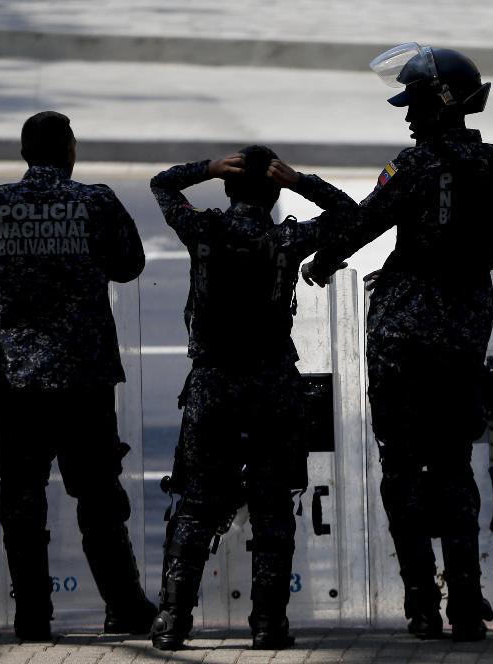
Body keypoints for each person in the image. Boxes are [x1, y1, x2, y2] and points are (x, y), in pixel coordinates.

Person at [302, 43, 493, 641]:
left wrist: (324, 259)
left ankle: (422, 606)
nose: (406, 115)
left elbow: (365, 219)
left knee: (401, 468)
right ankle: (468, 605)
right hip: (462, 337)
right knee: (454, 466)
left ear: (443, 103)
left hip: (401, 339)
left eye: (415, 102)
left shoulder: (415, 164)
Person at [148, 146, 357, 650]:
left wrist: (206, 167)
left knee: (196, 506)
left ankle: (173, 621)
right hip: (272, 386)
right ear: (275, 189)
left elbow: (162, 184)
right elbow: (351, 215)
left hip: (213, 383)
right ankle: (268, 624)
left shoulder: (205, 230)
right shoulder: (288, 238)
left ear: (228, 185)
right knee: (272, 510)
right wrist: (302, 180)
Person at [0, 111, 153, 640]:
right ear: (68, 149)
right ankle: (126, 609)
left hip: (11, 376)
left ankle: (33, 618)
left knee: (21, 496)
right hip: (82, 379)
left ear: (25, 152)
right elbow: (129, 264)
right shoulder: (95, 201)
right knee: (98, 495)